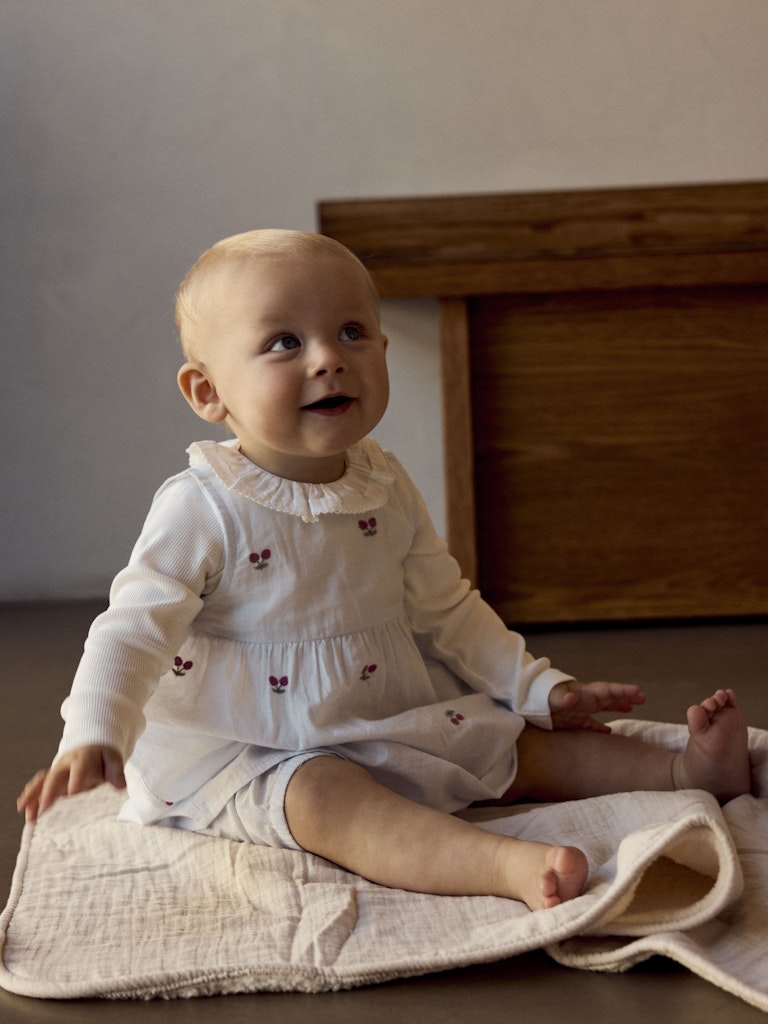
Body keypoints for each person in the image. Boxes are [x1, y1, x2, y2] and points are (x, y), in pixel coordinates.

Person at [17, 230, 751, 912]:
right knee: (330, 801)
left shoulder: (384, 483)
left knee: (507, 742)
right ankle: (502, 866)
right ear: (209, 392)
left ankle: (685, 775)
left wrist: (535, 688)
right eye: (284, 342)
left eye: (352, 332)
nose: (328, 359)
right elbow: (132, 630)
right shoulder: (201, 508)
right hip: (252, 748)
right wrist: (96, 732)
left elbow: (448, 608)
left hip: (378, 707)